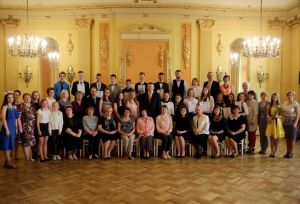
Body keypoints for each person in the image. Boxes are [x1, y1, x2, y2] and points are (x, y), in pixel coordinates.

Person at [0, 92, 22, 168]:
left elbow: (16, 118)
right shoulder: (4, 107)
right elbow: (3, 119)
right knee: (6, 145)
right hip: (7, 128)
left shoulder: (14, 107)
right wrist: (6, 129)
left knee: (9, 145)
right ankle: (8, 162)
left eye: (12, 97)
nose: (10, 99)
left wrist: (16, 128)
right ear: (6, 99)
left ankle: (7, 162)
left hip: (12, 128)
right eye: (8, 97)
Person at [18, 93, 36, 163]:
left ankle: (29, 157)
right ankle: (27, 158)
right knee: (26, 143)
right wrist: (20, 127)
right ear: (23, 98)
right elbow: (18, 118)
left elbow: (34, 116)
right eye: (26, 97)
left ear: (30, 98)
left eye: (29, 97)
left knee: (30, 142)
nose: (27, 98)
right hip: (25, 127)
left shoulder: (32, 106)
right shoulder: (21, 106)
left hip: (32, 127)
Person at [266, 93, 285, 158]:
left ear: (277, 98)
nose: (274, 99)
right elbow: (267, 114)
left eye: (275, 97)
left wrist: (277, 116)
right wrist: (268, 118)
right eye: (273, 97)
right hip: (271, 122)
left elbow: (282, 115)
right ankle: (271, 151)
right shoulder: (269, 105)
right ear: (271, 98)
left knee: (277, 138)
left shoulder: (279, 106)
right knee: (271, 138)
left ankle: (275, 152)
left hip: (277, 122)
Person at [282, 91, 299, 158]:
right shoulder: (285, 103)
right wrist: (282, 121)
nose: (289, 96)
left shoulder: (296, 104)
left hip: (292, 123)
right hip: (285, 123)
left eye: (291, 95)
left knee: (292, 139)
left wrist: (295, 123)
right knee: (287, 138)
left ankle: (291, 152)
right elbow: (283, 113)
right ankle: (287, 151)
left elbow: (298, 115)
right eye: (288, 95)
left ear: (293, 96)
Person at [13, 90, 22, 160]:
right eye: (15, 94)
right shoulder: (10, 103)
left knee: (17, 139)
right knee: (11, 139)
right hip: (11, 123)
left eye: (17, 95)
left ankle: (16, 154)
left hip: (19, 123)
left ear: (19, 95)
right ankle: (10, 154)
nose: (16, 96)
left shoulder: (21, 104)